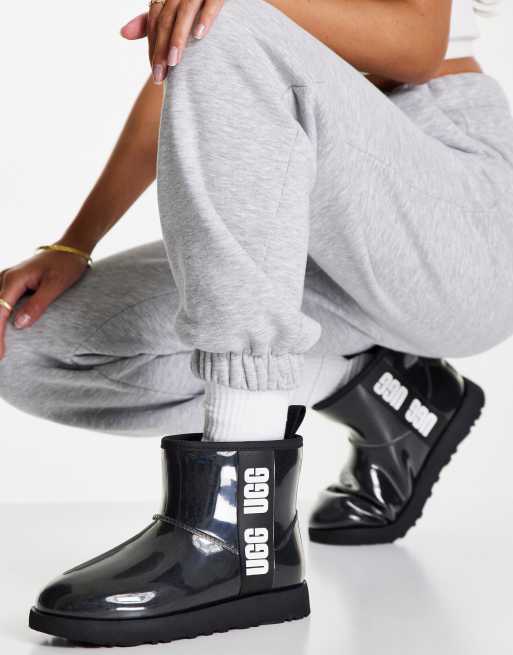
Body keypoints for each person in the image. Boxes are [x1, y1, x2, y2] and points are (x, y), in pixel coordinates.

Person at [1, 0, 512, 646]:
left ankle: (238, 528)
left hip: (452, 209)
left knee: (226, 22)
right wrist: (74, 243)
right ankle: (383, 393)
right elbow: (187, 66)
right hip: (307, 220)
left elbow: (418, 46)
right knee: (27, 345)